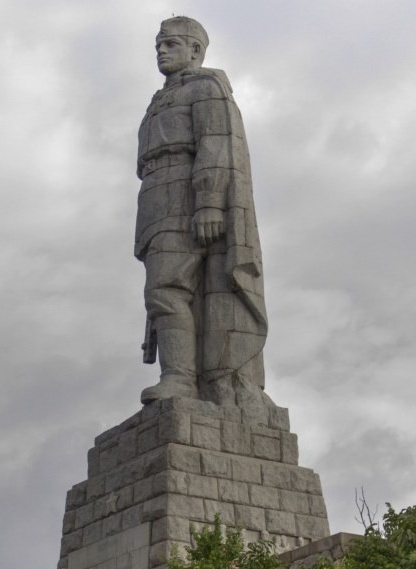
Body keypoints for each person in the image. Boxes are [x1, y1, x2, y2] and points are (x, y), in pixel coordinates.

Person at [136, 16, 269, 410]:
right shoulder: (159, 98)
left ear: (195, 50)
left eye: (171, 44)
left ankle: (180, 378)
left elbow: (216, 145)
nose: (161, 51)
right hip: (156, 196)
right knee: (171, 290)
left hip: (184, 192)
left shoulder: (205, 89)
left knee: (167, 289)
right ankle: (185, 377)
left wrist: (209, 201)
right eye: (159, 45)